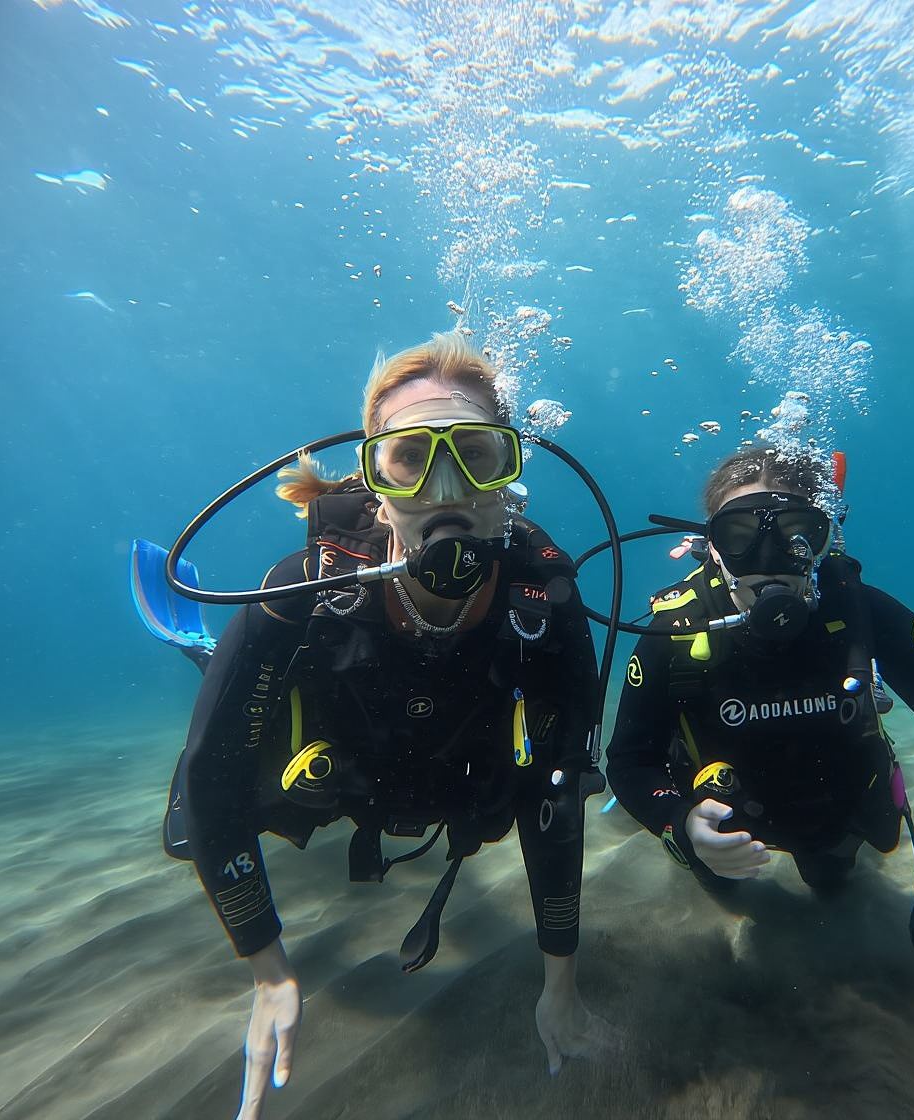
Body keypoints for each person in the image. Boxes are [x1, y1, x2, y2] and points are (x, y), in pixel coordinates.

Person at [163, 335, 609, 1119]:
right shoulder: (302, 590)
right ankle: (213, 656)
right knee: (201, 804)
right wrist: (268, 970)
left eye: (477, 454)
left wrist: (560, 983)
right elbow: (211, 778)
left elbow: (559, 795)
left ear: (510, 476)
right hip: (333, 777)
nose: (448, 487)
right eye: (410, 458)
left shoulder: (546, 603)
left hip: (454, 783)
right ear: (375, 481)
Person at [606, 447, 914, 950]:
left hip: (831, 814)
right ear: (712, 546)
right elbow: (631, 761)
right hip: (724, 813)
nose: (770, 562)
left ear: (824, 540)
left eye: (795, 536)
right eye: (741, 537)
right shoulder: (676, 630)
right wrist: (679, 821)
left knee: (833, 886)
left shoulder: (860, 612)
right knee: (727, 885)